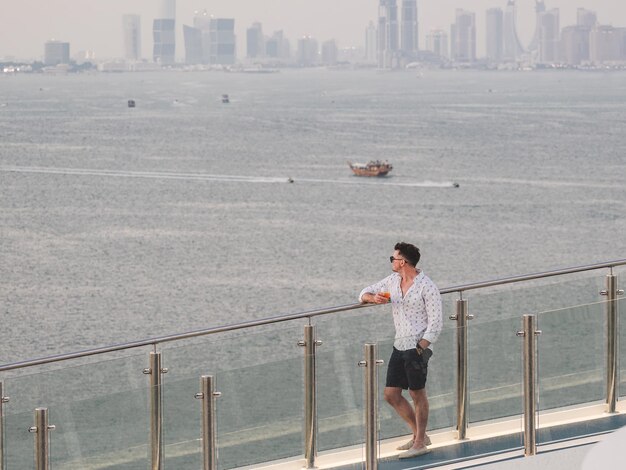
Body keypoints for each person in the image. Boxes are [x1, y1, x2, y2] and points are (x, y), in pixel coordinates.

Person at [359, 242, 443, 459]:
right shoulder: (393, 282)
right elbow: (363, 293)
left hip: (417, 347)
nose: (391, 262)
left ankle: (419, 442)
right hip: (399, 344)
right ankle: (420, 436)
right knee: (391, 394)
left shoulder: (427, 286)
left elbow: (436, 324)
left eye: (393, 258)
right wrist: (373, 298)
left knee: (417, 393)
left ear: (403, 262)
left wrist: (420, 348)